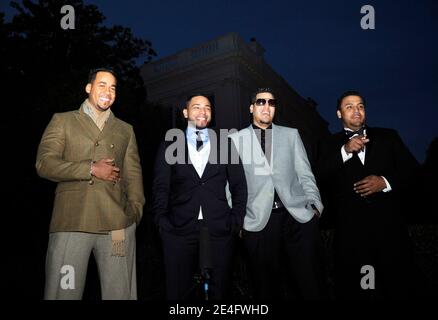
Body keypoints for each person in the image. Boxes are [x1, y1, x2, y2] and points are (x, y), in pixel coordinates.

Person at [36, 68, 145, 300]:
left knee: (120, 294)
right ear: (89, 88)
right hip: (73, 222)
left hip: (117, 226)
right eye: (102, 85)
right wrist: (90, 168)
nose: (108, 91)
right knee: (64, 293)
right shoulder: (63, 120)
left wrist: (134, 213)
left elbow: (133, 176)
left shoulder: (125, 130)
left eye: (113, 87)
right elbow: (45, 164)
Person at [317, 90, 419, 299]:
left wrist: (385, 182)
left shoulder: (388, 136)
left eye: (360, 106)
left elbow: (414, 172)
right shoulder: (328, 144)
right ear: (339, 114)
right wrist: (345, 151)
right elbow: (319, 176)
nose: (356, 111)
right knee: (365, 289)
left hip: (391, 233)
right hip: (353, 237)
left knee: (398, 286)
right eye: (349, 107)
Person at [229, 88, 326, 300]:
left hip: (297, 218)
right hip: (257, 222)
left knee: (308, 284)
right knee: (265, 288)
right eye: (261, 102)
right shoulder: (235, 140)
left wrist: (315, 205)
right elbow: (231, 186)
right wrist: (238, 221)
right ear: (251, 107)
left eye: (271, 103)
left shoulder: (291, 135)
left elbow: (305, 174)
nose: (266, 106)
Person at [152, 94, 247, 300]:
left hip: (220, 228)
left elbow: (239, 185)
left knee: (219, 292)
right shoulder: (169, 144)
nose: (202, 112)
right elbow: (161, 186)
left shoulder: (225, 143)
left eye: (207, 108)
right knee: (178, 292)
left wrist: (236, 220)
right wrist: (161, 221)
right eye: (196, 107)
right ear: (185, 113)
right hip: (178, 230)